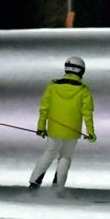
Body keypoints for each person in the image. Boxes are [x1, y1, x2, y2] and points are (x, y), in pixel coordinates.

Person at [30, 56, 96, 191]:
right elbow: (87, 113)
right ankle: (58, 187)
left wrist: (41, 127)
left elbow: (44, 108)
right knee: (65, 156)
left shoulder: (53, 86)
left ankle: (34, 182)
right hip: (72, 131)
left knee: (49, 153)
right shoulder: (83, 90)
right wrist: (90, 133)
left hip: (54, 129)